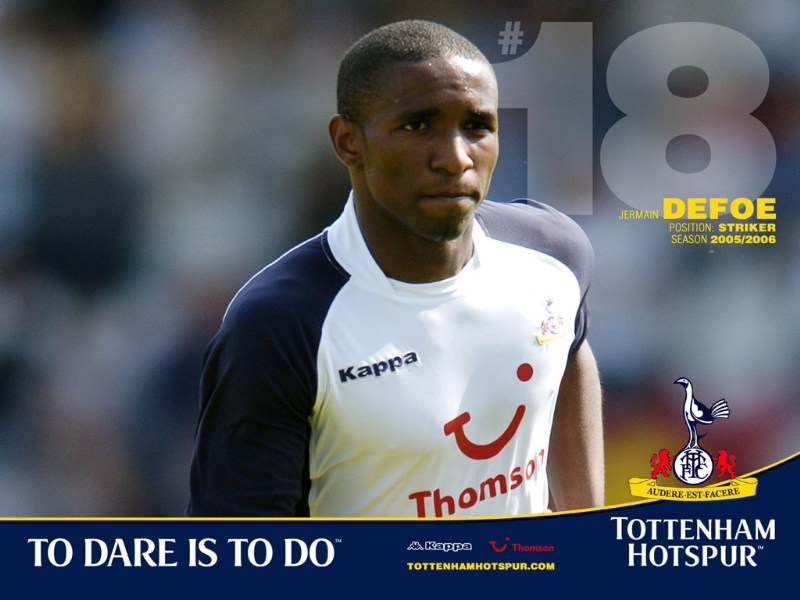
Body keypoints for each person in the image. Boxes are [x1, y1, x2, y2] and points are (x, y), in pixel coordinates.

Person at [188, 19, 604, 518]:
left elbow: (567, 353)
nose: (455, 158)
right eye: (417, 126)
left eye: (477, 126)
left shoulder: (553, 257)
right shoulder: (280, 324)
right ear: (348, 142)